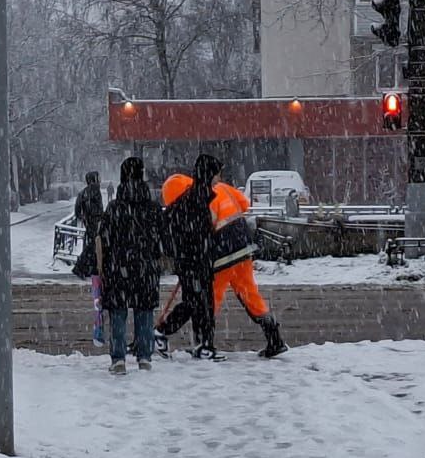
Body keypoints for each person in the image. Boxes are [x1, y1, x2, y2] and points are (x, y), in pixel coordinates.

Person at [156, 158, 287, 359]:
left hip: (222, 254)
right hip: (243, 247)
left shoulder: (196, 200)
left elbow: (203, 230)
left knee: (209, 299)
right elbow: (244, 204)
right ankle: (274, 337)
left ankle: (204, 343)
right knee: (249, 294)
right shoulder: (222, 188)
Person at [96, 158, 162, 374]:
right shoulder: (152, 208)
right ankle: (144, 357)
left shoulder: (115, 208)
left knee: (118, 312)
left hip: (119, 267)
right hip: (146, 267)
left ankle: (118, 359)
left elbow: (103, 239)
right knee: (144, 312)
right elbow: (162, 237)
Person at [156, 154, 221, 359]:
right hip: (194, 262)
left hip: (195, 261)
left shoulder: (198, 196)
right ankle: (164, 333)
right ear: (209, 174)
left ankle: (203, 344)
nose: (219, 178)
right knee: (198, 304)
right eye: (217, 173)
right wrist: (192, 252)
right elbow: (193, 233)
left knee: (200, 304)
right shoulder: (196, 199)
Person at [72, 171, 105, 345]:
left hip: (88, 223)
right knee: (93, 247)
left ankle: (85, 267)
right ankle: (81, 267)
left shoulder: (83, 192)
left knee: (91, 247)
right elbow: (97, 209)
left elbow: (77, 210)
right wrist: (97, 218)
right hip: (95, 224)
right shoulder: (95, 191)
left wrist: (84, 217)